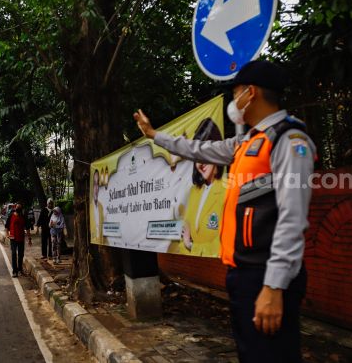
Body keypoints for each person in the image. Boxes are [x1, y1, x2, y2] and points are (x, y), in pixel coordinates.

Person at [134, 60, 316, 363]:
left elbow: (292, 220)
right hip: (243, 274)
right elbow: (195, 149)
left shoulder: (289, 140)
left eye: (236, 93)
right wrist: (154, 134)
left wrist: (273, 287)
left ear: (251, 93)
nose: (234, 100)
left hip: (265, 276)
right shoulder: (246, 142)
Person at [178, 118, 225, 257]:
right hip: (194, 269)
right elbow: (183, 237)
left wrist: (191, 246)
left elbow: (223, 245)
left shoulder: (228, 188)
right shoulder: (194, 191)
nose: (201, 163)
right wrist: (187, 245)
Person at [4, 202, 32, 277]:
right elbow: (6, 226)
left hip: (21, 238)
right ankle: (14, 271)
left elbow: (28, 228)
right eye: (17, 207)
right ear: (15, 208)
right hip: (13, 238)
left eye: (20, 207)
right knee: (13, 254)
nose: (18, 209)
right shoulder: (11, 216)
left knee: (21, 255)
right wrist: (7, 234)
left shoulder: (23, 217)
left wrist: (29, 239)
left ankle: (20, 269)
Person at [90, 169, 104, 243]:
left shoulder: (101, 207)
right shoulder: (89, 208)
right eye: (94, 184)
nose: (96, 188)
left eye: (98, 184)